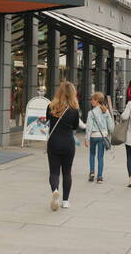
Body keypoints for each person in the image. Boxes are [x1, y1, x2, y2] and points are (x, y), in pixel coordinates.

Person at [46, 82, 80, 211]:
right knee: (67, 172)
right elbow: (75, 126)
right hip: (68, 143)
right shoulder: (74, 109)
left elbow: (47, 121)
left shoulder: (51, 106)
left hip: (54, 142)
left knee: (54, 171)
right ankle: (65, 201)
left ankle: (55, 190)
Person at [85, 92, 114, 184]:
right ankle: (100, 177)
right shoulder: (105, 111)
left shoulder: (91, 113)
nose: (91, 101)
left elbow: (89, 127)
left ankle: (92, 173)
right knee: (100, 156)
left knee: (92, 154)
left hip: (93, 136)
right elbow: (110, 125)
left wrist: (86, 139)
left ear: (96, 100)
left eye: (92, 99)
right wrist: (111, 133)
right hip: (102, 136)